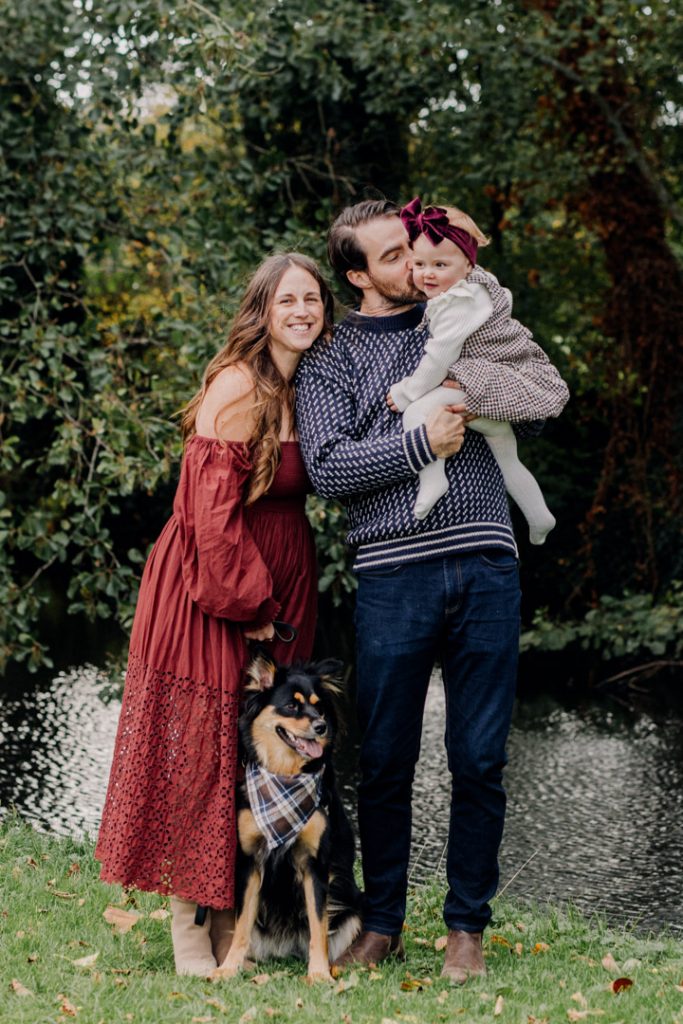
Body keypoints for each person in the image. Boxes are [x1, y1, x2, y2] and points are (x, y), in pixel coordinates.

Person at [295, 199, 568, 983]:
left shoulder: (462, 311)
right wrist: (420, 438)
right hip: (391, 575)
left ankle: (465, 929)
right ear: (357, 276)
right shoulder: (332, 356)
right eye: (392, 258)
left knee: (478, 758)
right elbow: (329, 469)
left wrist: (458, 381)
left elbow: (546, 396)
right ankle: (381, 922)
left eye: (417, 252)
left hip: (484, 563)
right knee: (382, 760)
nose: (414, 267)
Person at [95, 253, 333, 976]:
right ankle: (187, 931)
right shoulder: (238, 386)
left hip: (280, 588)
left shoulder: (307, 387)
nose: (302, 310)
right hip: (214, 589)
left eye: (313, 299)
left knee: (253, 757)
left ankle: (236, 918)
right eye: (286, 299)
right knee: (199, 752)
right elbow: (210, 516)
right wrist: (252, 604)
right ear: (260, 310)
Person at [388, 197, 559, 543]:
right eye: (419, 263)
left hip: (483, 384)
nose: (428, 273)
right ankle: (540, 516)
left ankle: (433, 480)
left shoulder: (460, 302)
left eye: (440, 264)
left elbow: (439, 357)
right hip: (491, 385)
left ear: (467, 265)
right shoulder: (472, 288)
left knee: (417, 414)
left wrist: (407, 392)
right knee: (507, 459)